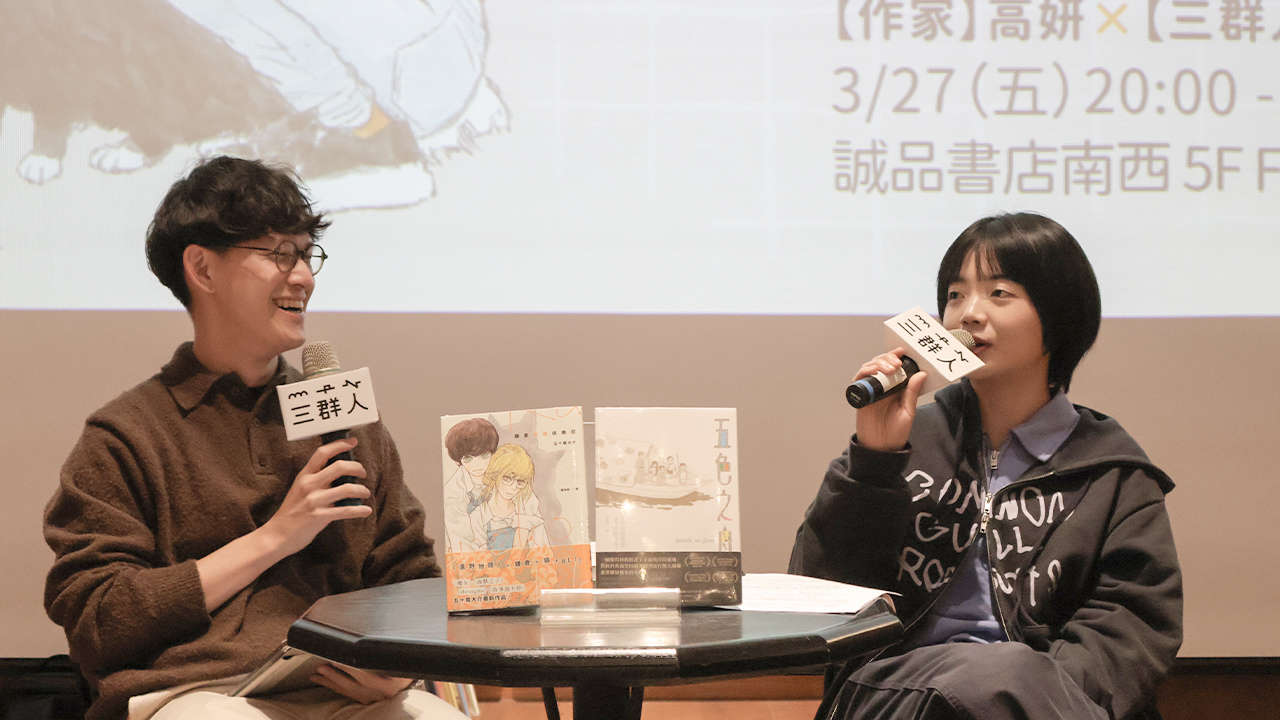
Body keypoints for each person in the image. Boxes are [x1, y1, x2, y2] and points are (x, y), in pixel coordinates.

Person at [43, 156, 465, 720]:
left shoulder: (346, 418)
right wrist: (277, 536)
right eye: (279, 254)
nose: (304, 276)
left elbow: (409, 575)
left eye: (307, 254)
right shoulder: (126, 434)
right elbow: (100, 623)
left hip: (341, 692)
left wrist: (397, 669)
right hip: (197, 693)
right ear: (202, 269)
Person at [789, 213, 1182, 720]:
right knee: (996, 674)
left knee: (1006, 674)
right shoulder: (904, 441)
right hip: (899, 693)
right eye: (956, 295)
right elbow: (820, 592)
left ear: (1059, 315)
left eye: (999, 293)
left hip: (1040, 699)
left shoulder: (1111, 470)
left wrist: (1036, 691)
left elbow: (1130, 625)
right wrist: (873, 463)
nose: (969, 314)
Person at [467, 444, 551, 552]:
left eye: (520, 482)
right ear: (495, 475)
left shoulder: (527, 512)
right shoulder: (479, 515)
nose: (514, 487)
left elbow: (543, 551)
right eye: (507, 478)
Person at [442, 417, 499, 553]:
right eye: (468, 459)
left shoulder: (503, 473)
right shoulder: (453, 492)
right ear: (458, 461)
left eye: (484, 456)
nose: (477, 464)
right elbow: (461, 540)